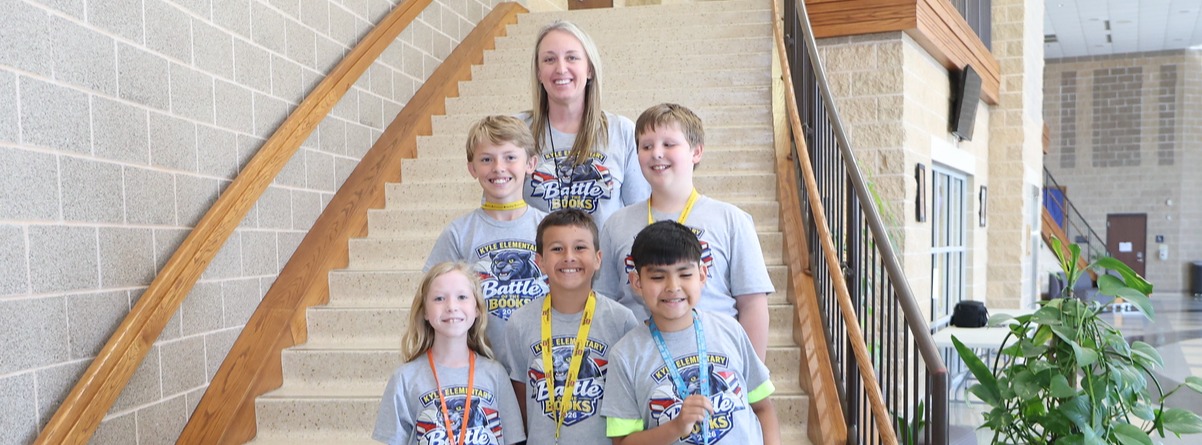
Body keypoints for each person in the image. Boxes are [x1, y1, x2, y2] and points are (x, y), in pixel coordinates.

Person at [596, 103, 774, 361]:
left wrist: (750, 380)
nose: (657, 153)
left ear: (696, 152)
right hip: (641, 368)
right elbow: (606, 304)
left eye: (669, 144)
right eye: (646, 146)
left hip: (714, 363)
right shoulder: (616, 224)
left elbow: (753, 305)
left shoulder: (731, 221)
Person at [602, 221, 780, 445]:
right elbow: (622, 442)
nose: (673, 287)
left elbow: (763, 408)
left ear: (702, 275)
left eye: (685, 274)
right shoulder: (626, 354)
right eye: (658, 277)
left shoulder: (730, 330)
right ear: (637, 282)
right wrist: (676, 427)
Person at [500, 209, 640, 444]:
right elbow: (521, 398)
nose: (569, 257)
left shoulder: (621, 320)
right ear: (540, 261)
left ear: (598, 258)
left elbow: (629, 404)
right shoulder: (520, 322)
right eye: (556, 248)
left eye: (580, 248)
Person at [424, 115, 549, 359]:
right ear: (472, 168)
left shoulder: (549, 228)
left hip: (542, 365)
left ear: (531, 163)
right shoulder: (459, 234)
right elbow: (430, 299)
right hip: (481, 365)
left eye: (510, 157)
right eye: (486, 159)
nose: (498, 167)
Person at [373, 262, 525, 445]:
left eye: (462, 297)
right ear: (425, 312)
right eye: (439, 298)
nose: (451, 306)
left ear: (477, 308)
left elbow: (513, 439)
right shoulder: (405, 378)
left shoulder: (496, 374)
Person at [520, 20, 650, 229]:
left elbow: (641, 216)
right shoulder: (518, 130)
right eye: (549, 59)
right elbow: (498, 213)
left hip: (603, 260)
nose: (561, 68)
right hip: (537, 260)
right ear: (538, 72)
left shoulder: (621, 131)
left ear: (589, 68)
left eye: (571, 57)